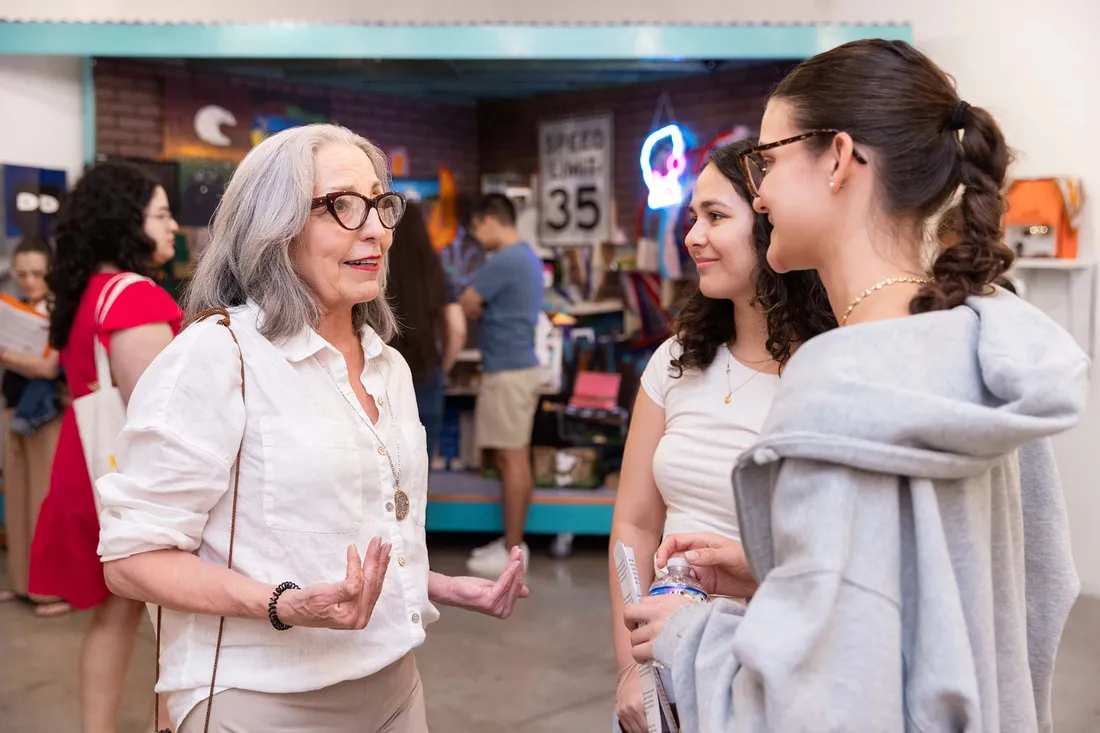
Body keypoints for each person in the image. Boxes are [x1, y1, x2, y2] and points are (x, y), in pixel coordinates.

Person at [625, 39, 1088, 733]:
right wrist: (774, 574)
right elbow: (1028, 597)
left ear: (838, 158)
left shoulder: (832, 389)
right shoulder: (985, 354)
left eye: (768, 160)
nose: (760, 192)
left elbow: (810, 706)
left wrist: (689, 634)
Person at [95, 124, 528, 733]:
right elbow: (132, 558)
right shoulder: (219, 357)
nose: (375, 228)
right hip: (258, 699)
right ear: (274, 227)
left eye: (380, 204)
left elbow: (335, 535)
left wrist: (445, 586)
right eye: (342, 206)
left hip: (396, 686)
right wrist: (283, 604)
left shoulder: (388, 366)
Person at [609, 140, 834, 733]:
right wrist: (632, 668)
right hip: (664, 666)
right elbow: (634, 524)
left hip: (770, 667)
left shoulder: (828, 369)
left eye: (715, 216)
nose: (693, 237)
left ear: (768, 223)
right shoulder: (677, 359)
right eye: (693, 219)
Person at [28, 161, 182, 732]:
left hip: (90, 467)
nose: (173, 227)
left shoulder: (86, 294)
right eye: (162, 215)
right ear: (127, 222)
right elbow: (163, 413)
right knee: (178, 622)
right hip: (141, 483)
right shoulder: (136, 296)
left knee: (117, 615)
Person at [458, 194, 544, 577]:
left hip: (508, 372)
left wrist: (475, 305)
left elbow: (467, 302)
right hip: (518, 368)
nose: (477, 236)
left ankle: (512, 549)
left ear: (491, 219)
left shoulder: (506, 259)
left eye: (477, 227)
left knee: (511, 460)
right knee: (516, 458)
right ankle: (515, 544)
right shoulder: (527, 257)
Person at [0, 236, 69, 616]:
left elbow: (48, 367)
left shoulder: (60, 311)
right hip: (13, 408)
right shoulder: (14, 310)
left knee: (44, 501)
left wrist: (7, 355)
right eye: (21, 274)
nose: (28, 282)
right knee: (18, 497)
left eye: (37, 274)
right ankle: (23, 584)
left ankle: (50, 590)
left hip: (47, 415)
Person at [387, 201, 467, 461]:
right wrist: (443, 366)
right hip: (425, 374)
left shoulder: (374, 270)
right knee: (420, 473)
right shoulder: (435, 271)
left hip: (379, 375)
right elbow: (457, 328)